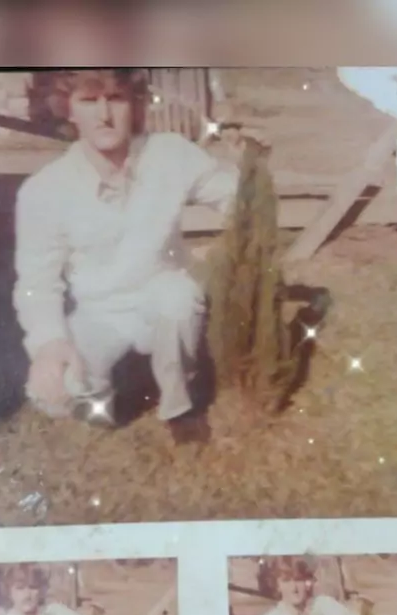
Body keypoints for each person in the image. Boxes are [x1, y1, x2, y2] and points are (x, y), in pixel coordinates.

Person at [13, 68, 241, 444]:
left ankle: (180, 404)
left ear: (134, 104)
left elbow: (236, 197)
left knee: (178, 296)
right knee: (54, 394)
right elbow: (37, 283)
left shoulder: (169, 154)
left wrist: (250, 168)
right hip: (100, 312)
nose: (104, 115)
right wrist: (49, 343)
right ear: (67, 109)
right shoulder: (43, 190)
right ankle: (105, 392)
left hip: (161, 297)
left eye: (116, 99)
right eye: (89, 101)